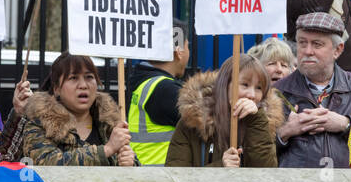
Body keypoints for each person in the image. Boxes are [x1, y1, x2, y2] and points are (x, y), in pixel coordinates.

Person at [272, 12, 351, 168]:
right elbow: (252, 151)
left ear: (338, 50)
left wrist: (347, 125)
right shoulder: (276, 93)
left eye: (317, 44)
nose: (308, 51)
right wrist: (285, 132)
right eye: (302, 43)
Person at [19, 53, 136, 166]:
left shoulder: (111, 124)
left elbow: (136, 177)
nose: (83, 85)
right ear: (57, 89)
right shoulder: (39, 122)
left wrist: (130, 164)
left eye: (89, 77)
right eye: (73, 78)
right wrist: (106, 150)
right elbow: (46, 163)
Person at [165, 53, 279, 168]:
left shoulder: (263, 123)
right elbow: (176, 178)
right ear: (225, 85)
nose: (252, 95)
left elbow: (267, 173)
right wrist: (220, 167)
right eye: (245, 84)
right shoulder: (192, 122)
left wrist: (256, 120)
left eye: (259, 88)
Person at [124, 21, 190, 165]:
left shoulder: (144, 81)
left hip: (147, 173)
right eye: (187, 46)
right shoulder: (166, 89)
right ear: (179, 51)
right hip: (163, 178)